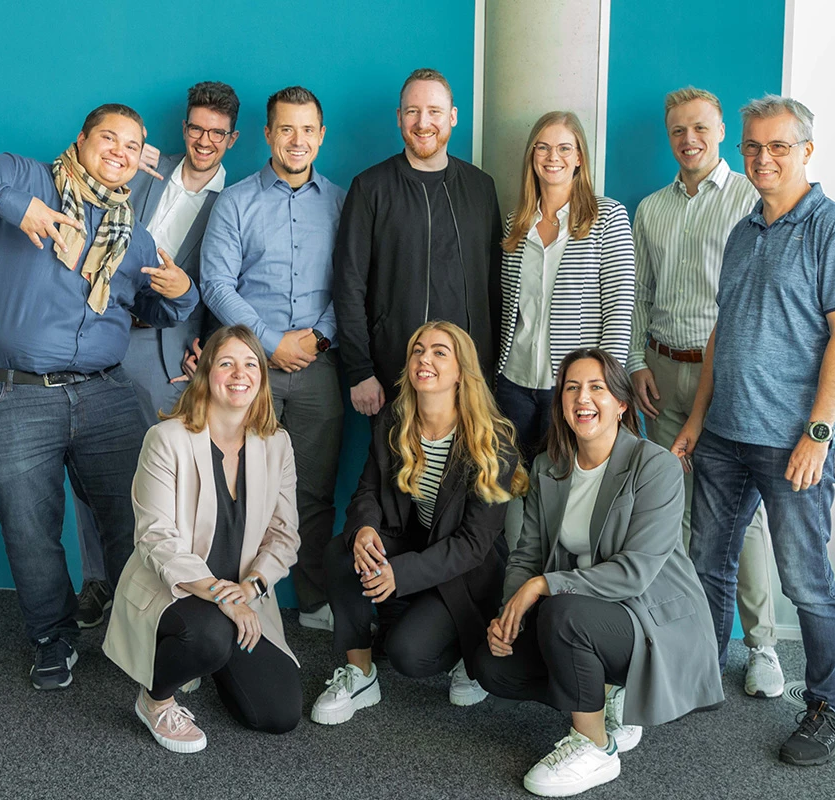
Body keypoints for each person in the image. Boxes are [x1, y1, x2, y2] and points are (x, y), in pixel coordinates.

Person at [0, 104, 198, 691]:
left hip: (103, 394)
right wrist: (14, 208)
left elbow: (149, 307)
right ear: (82, 139)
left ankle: (139, 629)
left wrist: (181, 294)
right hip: (5, 392)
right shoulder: (23, 178)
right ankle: (53, 636)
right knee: (30, 526)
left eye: (133, 144)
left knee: (140, 515)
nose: (120, 151)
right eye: (108, 138)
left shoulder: (133, 233)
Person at [672, 95, 835, 766]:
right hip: (725, 435)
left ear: (806, 151)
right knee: (708, 561)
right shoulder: (743, 230)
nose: (763, 158)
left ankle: (830, 705)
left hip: (792, 444)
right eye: (753, 147)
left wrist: (818, 432)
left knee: (804, 578)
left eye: (779, 146)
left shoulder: (832, 228)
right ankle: (701, 673)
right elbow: (720, 334)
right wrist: (697, 423)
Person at [474, 348, 723, 797]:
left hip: (648, 618)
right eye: (571, 388)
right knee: (492, 666)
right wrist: (510, 615)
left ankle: (594, 746)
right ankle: (604, 695)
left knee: (562, 614)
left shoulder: (654, 466)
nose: (582, 398)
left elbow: (634, 572)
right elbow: (526, 555)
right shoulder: (549, 467)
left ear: (622, 403)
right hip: (590, 613)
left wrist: (543, 586)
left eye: (597, 387)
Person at [627, 87, 783, 698]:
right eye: (677, 131)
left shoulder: (753, 198)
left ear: (719, 131)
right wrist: (637, 360)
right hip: (663, 375)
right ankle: (692, 636)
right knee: (675, 509)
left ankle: (763, 645)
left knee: (741, 518)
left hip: (731, 379)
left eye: (699, 128)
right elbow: (637, 295)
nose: (688, 140)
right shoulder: (651, 210)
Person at [72, 81, 240, 629]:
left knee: (163, 475)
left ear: (232, 139)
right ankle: (98, 579)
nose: (204, 140)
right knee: (87, 459)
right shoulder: (143, 163)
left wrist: (212, 346)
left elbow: (228, 282)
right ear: (184, 128)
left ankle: (158, 593)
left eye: (217, 133)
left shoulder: (234, 200)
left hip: (165, 350)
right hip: (98, 330)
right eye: (196, 128)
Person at [310, 321, 528, 725]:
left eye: (440, 352)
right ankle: (359, 675)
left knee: (409, 654)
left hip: (464, 571)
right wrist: (365, 529)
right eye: (418, 350)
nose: (424, 359)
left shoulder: (492, 441)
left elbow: (473, 544)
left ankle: (469, 648)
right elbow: (367, 492)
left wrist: (400, 574)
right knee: (341, 552)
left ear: (462, 371)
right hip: (406, 544)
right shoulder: (395, 418)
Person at [103, 325, 302, 753]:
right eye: (226, 362)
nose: (239, 374)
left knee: (278, 714)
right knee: (210, 636)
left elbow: (284, 536)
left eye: (251, 364)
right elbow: (156, 538)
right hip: (176, 590)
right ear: (205, 371)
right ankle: (156, 699)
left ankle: (211, 660)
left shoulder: (276, 444)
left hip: (244, 598)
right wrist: (221, 597)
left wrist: (250, 589)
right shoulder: (167, 439)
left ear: (262, 379)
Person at [202, 86, 346, 633]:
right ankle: (222, 602)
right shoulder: (235, 201)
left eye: (308, 130)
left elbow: (353, 281)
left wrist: (320, 338)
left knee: (310, 491)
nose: (297, 140)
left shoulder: (340, 202)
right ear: (267, 134)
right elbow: (215, 283)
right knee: (231, 491)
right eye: (286, 129)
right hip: (246, 373)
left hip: (319, 370)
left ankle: (311, 601)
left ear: (321, 135)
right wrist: (269, 343)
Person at [334, 68, 502, 414]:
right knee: (400, 468)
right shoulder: (370, 188)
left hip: (471, 379)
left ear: (453, 117)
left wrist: (494, 368)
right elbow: (348, 284)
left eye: (434, 111)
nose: (423, 122)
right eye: (412, 111)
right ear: (399, 118)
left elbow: (495, 284)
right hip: (394, 376)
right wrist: (360, 370)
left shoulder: (481, 187)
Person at [495, 111, 635, 465]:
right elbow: (508, 306)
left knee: (563, 484)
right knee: (510, 485)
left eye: (563, 148)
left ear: (578, 158)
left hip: (575, 388)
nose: (552, 157)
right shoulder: (516, 222)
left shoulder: (608, 217)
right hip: (514, 382)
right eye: (542, 148)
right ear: (532, 156)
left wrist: (606, 388)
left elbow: (620, 308)